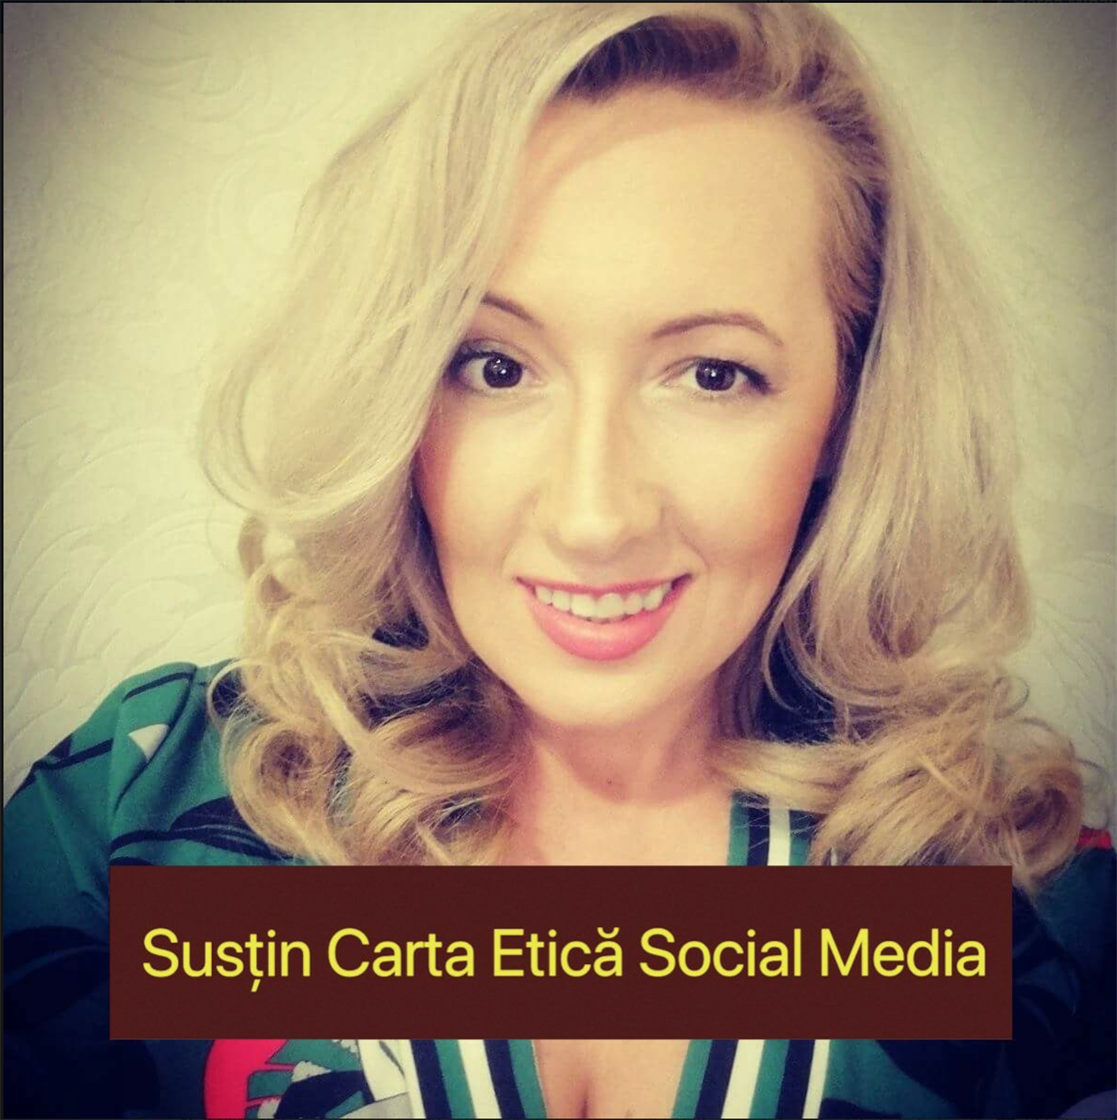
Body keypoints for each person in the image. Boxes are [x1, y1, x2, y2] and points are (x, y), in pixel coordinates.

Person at [5, 3, 1115, 1118]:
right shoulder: (144, 813)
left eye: (713, 375)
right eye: (494, 366)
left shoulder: (1023, 905)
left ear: (849, 408)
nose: (593, 517)